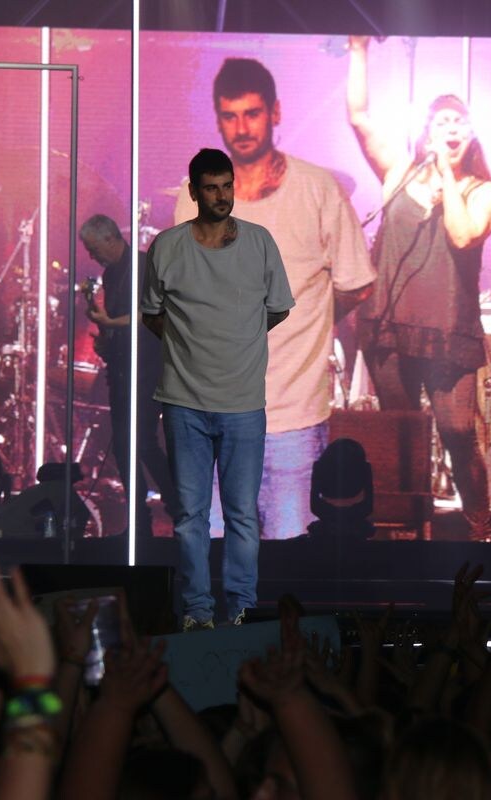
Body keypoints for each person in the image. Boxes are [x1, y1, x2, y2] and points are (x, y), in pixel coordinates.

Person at [174, 57, 375, 540]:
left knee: (293, 567)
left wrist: (309, 318)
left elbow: (357, 283)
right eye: (230, 115)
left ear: (276, 113)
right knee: (221, 564)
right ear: (218, 119)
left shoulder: (317, 190)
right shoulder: (194, 196)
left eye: (252, 113)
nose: (241, 128)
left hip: (295, 418)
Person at [346, 36, 491, 541]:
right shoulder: (397, 173)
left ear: (471, 134)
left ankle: (479, 525)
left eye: (459, 122)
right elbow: (359, 116)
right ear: (427, 131)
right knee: (402, 433)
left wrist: (447, 174)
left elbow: (460, 234)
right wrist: (357, 50)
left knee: (458, 431)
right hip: (388, 324)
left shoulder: (482, 192)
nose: (450, 128)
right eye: (441, 122)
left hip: (446, 331)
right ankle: (409, 531)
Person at [144, 148, 294, 630]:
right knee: (190, 516)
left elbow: (277, 307)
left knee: (242, 516)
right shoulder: (167, 246)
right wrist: (193, 346)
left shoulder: (259, 242)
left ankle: (241, 609)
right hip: (184, 401)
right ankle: (197, 611)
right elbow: (153, 315)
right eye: (211, 187)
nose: (221, 195)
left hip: (243, 403)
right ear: (194, 191)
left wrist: (236, 343)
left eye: (227, 186)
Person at [78, 214, 176, 537]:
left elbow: (155, 314)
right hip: (122, 370)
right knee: (123, 447)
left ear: (110, 239)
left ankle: (180, 507)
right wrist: (105, 338)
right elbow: (119, 322)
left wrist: (111, 322)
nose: (93, 257)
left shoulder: (146, 266)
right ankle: (139, 522)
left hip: (149, 369)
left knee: (143, 443)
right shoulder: (110, 275)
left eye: (94, 249)